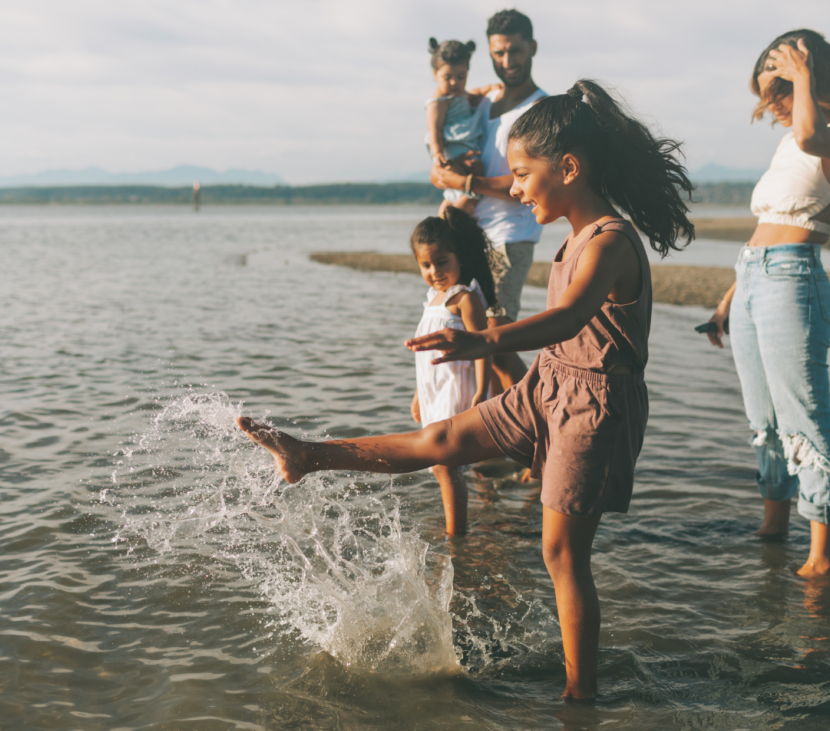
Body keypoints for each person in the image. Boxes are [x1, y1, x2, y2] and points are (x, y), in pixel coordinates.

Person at [238, 79, 695, 700]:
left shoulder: (610, 239)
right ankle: (309, 455)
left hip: (594, 406)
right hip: (549, 385)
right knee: (441, 437)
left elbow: (571, 318)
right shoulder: (572, 236)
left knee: (560, 553)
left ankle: (578, 697)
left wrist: (481, 342)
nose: (515, 187)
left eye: (523, 174)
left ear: (569, 168)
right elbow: (559, 335)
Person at [703, 30, 830, 578]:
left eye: (779, 89)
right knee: (764, 422)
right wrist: (731, 295)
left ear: (807, 73)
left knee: (805, 420)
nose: (771, 105)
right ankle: (774, 527)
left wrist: (800, 76)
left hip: (793, 280)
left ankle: (822, 558)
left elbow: (811, 135)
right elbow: (764, 226)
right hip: (753, 279)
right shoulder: (790, 139)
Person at [431, 9, 546, 394]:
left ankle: (544, 419)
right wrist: (442, 171)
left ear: (532, 48)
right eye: (499, 53)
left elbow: (529, 180)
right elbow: (445, 136)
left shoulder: (540, 109)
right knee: (467, 338)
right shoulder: (483, 100)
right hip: (466, 234)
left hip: (510, 236)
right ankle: (498, 442)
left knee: (494, 343)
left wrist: (465, 181)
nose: (507, 61)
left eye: (515, 51)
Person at [409, 207, 498, 536]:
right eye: (426, 265)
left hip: (458, 391)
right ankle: (477, 515)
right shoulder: (433, 298)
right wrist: (419, 394)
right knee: (439, 466)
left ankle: (456, 536)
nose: (434, 272)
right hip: (435, 392)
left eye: (441, 262)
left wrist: (481, 390)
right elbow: (425, 355)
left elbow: (483, 345)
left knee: (446, 465)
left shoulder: (464, 298)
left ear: (458, 256)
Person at [424, 38, 501, 216]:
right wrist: (437, 154)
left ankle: (448, 216)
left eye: (461, 77)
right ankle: (450, 223)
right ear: (435, 74)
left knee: (456, 191)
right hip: (450, 148)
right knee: (467, 191)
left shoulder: (459, 94)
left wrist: (490, 88)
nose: (454, 83)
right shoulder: (437, 102)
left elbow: (472, 93)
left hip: (465, 144)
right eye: (447, 77)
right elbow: (434, 130)